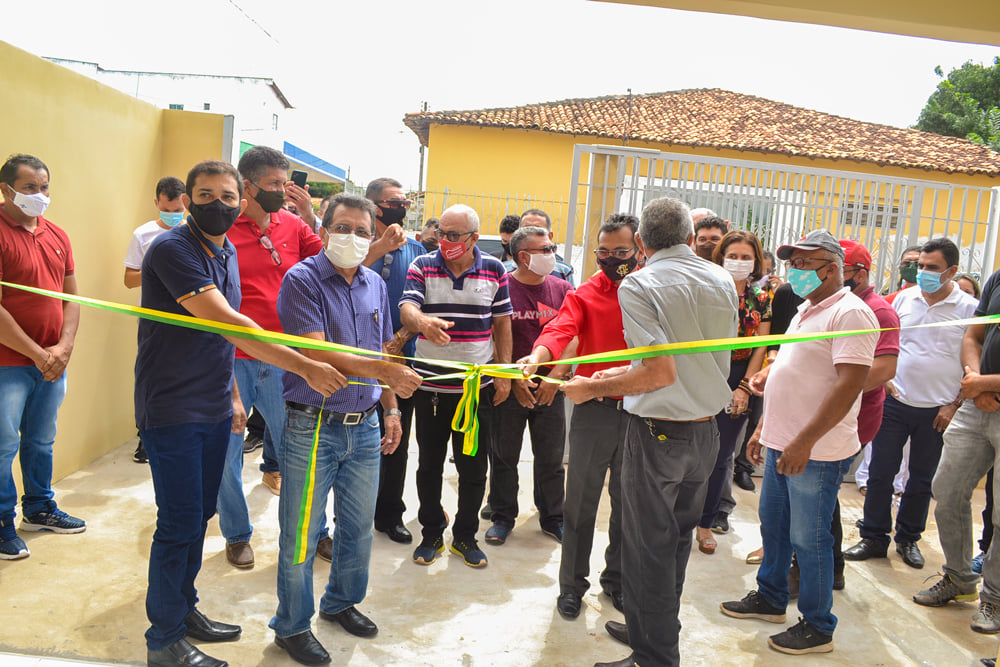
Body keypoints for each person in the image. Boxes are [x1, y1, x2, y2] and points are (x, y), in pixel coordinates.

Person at [135, 159, 345, 667]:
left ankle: (184, 611)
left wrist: (230, 395)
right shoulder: (173, 249)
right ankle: (163, 641)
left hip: (210, 400)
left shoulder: (225, 248)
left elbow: (220, 340)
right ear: (188, 200)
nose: (219, 205)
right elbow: (230, 323)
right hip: (172, 405)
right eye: (205, 196)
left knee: (200, 513)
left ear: (241, 198)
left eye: (228, 197)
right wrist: (305, 365)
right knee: (179, 521)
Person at [561, 197, 738, 667]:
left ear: (640, 243)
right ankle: (648, 628)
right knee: (675, 542)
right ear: (687, 236)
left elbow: (658, 373)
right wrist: (613, 378)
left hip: (659, 433)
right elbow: (684, 362)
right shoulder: (721, 278)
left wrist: (588, 389)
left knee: (648, 547)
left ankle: (654, 656)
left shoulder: (641, 284)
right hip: (705, 432)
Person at [269, 192, 422, 666]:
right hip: (313, 425)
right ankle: (291, 626)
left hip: (365, 425)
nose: (351, 237)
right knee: (302, 532)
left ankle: (340, 603)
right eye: (342, 227)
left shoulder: (375, 283)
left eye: (362, 230)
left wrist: (391, 408)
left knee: (356, 528)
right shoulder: (302, 280)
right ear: (325, 227)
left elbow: (379, 351)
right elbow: (317, 352)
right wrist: (385, 375)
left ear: (374, 235)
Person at [721, 229, 877, 656]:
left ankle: (817, 625)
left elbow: (848, 387)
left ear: (832, 269)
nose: (796, 271)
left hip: (816, 451)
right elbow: (789, 373)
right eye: (793, 262)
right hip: (781, 441)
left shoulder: (851, 314)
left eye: (805, 264)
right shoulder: (807, 310)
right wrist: (762, 430)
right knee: (774, 526)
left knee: (810, 540)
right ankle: (771, 598)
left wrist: (804, 442)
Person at [520, 212, 643, 620]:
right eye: (603, 252)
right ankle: (572, 586)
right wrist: (538, 357)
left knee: (629, 504)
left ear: (639, 247)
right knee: (580, 505)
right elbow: (560, 328)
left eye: (621, 251)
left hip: (643, 411)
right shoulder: (587, 292)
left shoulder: (653, 290)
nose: (611, 259)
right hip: (595, 410)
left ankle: (618, 581)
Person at [214, 145, 325, 569]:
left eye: (285, 183)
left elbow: (328, 264)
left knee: (300, 449)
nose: (283, 191)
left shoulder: (294, 225)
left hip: (288, 358)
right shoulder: (222, 228)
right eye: (275, 184)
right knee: (228, 451)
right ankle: (237, 534)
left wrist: (312, 216)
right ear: (248, 186)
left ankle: (313, 533)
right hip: (234, 355)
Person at [845, 238, 976, 569]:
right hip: (895, 402)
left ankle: (908, 539)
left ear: (952, 271)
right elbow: (882, 341)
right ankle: (874, 536)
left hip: (939, 410)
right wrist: (884, 379)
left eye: (932, 268)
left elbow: (973, 361)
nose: (923, 273)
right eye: (920, 266)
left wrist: (954, 404)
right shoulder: (904, 299)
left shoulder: (969, 309)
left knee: (921, 479)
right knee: (880, 472)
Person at [400, 203, 512, 568]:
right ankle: (431, 532)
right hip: (430, 386)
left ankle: (465, 536)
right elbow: (407, 308)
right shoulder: (423, 265)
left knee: (473, 467)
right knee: (429, 465)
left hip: (474, 390)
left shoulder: (495, 270)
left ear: (474, 238)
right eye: (440, 233)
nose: (443, 241)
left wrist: (503, 374)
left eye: (453, 235)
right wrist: (422, 322)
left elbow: (502, 325)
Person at [0, 153, 83, 561]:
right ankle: (2, 522)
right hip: (8, 364)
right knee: (3, 445)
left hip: (51, 363)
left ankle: (38, 508)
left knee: (40, 440)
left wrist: (62, 349)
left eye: (44, 187)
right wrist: (37, 353)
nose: (39, 195)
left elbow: (71, 296)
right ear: (6, 189)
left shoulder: (57, 235)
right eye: (29, 187)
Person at [911, 263, 1000, 634]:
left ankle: (994, 599)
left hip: (983, 393)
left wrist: (984, 383)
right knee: (946, 490)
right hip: (976, 405)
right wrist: (974, 380)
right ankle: (960, 578)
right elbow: (973, 336)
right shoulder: (997, 278)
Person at [485, 226, 573, 546]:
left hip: (550, 387)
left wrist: (555, 378)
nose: (552, 255)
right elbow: (493, 337)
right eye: (545, 250)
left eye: (552, 248)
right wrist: (510, 380)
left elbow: (574, 338)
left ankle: (553, 517)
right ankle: (502, 516)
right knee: (504, 455)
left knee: (550, 458)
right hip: (509, 388)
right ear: (524, 257)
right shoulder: (501, 288)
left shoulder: (563, 289)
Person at [695, 230, 771, 555]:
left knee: (721, 453)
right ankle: (679, 517)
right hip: (702, 372)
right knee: (691, 452)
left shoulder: (763, 299)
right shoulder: (703, 291)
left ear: (756, 262)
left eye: (746, 257)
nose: (738, 263)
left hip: (740, 376)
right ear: (720, 256)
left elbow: (760, 345)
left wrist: (743, 388)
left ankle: (705, 522)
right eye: (733, 256)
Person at [362, 177, 427, 545]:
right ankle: (351, 515)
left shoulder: (417, 251)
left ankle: (389, 514)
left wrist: (399, 340)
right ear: (375, 207)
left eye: (404, 200)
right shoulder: (354, 246)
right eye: (393, 201)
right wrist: (377, 246)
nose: (401, 206)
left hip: (402, 359)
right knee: (354, 441)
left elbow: (423, 303)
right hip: (356, 363)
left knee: (395, 437)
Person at [123, 175, 186, 464]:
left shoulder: (194, 233)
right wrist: (155, 269)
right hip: (153, 319)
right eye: (168, 210)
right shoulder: (143, 234)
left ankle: (179, 434)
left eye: (178, 210)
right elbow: (128, 279)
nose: (174, 216)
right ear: (156, 203)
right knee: (150, 379)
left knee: (186, 378)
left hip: (190, 319)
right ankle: (145, 439)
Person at [502, 209, 574, 284]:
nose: (532, 233)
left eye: (538, 229)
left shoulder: (563, 272)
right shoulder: (502, 270)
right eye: (527, 229)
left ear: (550, 236)